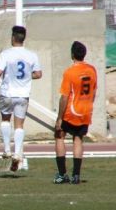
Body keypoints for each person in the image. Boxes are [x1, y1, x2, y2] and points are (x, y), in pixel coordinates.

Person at [0, 25, 42, 171]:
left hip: (8, 93)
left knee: (5, 119)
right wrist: (28, 76)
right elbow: (38, 74)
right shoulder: (31, 55)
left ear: (13, 37)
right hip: (23, 94)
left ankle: (7, 149)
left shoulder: (6, 54)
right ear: (23, 38)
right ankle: (16, 153)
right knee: (19, 125)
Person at [53, 41, 97, 184]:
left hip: (72, 111)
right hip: (85, 110)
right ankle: (76, 175)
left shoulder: (70, 72)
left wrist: (59, 118)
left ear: (72, 54)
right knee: (78, 139)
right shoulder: (92, 70)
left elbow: (64, 97)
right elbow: (94, 91)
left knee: (59, 135)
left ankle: (62, 175)